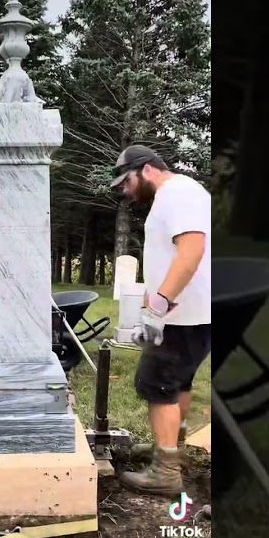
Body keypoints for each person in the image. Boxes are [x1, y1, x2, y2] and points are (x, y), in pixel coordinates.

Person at [110, 145, 211, 498]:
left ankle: (166, 472)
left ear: (147, 169)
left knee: (155, 384)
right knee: (178, 384)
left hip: (181, 316)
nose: (125, 190)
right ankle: (172, 451)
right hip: (192, 314)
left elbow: (192, 250)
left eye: (127, 181)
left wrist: (158, 306)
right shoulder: (184, 193)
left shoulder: (176, 194)